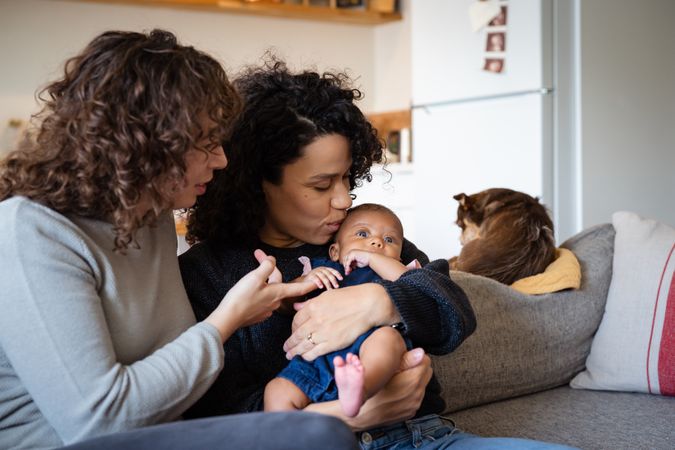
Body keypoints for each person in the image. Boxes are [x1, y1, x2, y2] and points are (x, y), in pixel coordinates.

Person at [179, 60, 576, 449]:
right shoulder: (209, 273)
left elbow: (453, 315)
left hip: (425, 438)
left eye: (346, 178)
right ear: (256, 184)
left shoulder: (368, 236)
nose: (342, 199)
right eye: (321, 186)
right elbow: (218, 413)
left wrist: (380, 300)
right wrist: (351, 415)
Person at [0, 30, 358, 450]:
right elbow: (98, 422)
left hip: (164, 435)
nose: (222, 159)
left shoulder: (151, 219)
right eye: (206, 143)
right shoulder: (31, 232)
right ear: (145, 145)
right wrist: (228, 319)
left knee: (322, 434)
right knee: (319, 436)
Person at [265, 203, 417, 417]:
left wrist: (374, 259)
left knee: (388, 339)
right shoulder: (325, 270)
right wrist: (282, 289)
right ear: (335, 251)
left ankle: (361, 389)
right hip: (317, 360)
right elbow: (291, 303)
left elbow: (413, 284)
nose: (377, 241)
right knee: (276, 392)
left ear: (400, 257)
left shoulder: (392, 271)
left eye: (389, 240)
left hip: (370, 346)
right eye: (362, 233)